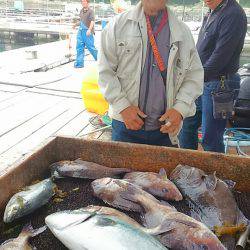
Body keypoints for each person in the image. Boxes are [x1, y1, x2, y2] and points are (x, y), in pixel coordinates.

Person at [98, 0, 203, 147]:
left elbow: (194, 76)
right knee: (122, 170)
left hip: (166, 129)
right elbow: (105, 72)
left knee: (163, 171)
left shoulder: (182, 32)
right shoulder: (116, 26)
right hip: (125, 125)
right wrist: (122, 106)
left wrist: (180, 109)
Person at [179, 0, 247, 153]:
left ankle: (214, 175)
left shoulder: (233, 14)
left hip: (220, 84)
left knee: (211, 137)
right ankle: (186, 165)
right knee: (187, 126)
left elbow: (221, 55)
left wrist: (196, 76)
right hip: (202, 81)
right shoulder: (213, 11)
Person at [74, 0, 98, 68]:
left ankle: (101, 62)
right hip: (81, 31)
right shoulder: (81, 10)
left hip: (87, 31)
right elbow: (82, 21)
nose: (83, 3)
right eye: (82, 2)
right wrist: (75, 24)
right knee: (79, 47)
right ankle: (79, 63)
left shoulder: (91, 11)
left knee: (91, 48)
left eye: (85, 2)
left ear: (88, 3)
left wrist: (89, 30)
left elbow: (92, 21)